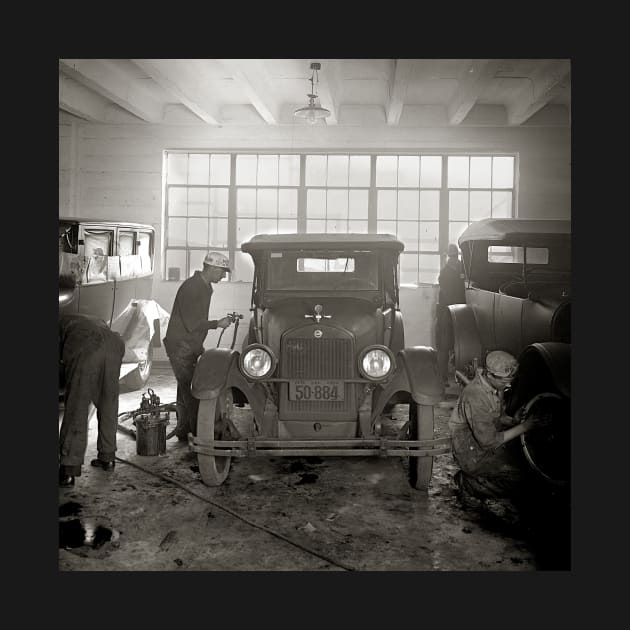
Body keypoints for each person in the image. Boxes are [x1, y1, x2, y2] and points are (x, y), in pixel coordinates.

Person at [448, 350, 539, 503]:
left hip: (481, 439)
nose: (509, 384)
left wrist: (513, 421)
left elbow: (498, 417)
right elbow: (488, 442)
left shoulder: (493, 386)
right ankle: (469, 483)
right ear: (489, 375)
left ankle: (477, 476)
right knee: (520, 480)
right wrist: (525, 426)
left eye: (511, 378)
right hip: (470, 451)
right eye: (504, 380)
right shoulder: (475, 395)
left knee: (522, 464)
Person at [163, 252, 233, 441]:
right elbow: (193, 322)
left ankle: (183, 430)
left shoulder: (204, 286)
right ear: (213, 268)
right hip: (180, 346)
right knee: (192, 393)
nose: (224, 276)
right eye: (222, 272)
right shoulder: (192, 287)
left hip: (189, 345)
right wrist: (217, 323)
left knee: (184, 388)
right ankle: (200, 437)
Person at [59, 314, 126, 487]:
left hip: (86, 344)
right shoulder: (81, 318)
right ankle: (108, 458)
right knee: (108, 404)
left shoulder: (65, 325)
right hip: (114, 344)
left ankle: (69, 470)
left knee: (77, 406)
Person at [435, 243, 466, 384]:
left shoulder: (449, 271)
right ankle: (443, 377)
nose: (454, 259)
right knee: (446, 346)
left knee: (447, 346)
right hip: (450, 313)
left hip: (452, 313)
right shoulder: (451, 272)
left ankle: (446, 376)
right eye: (453, 256)